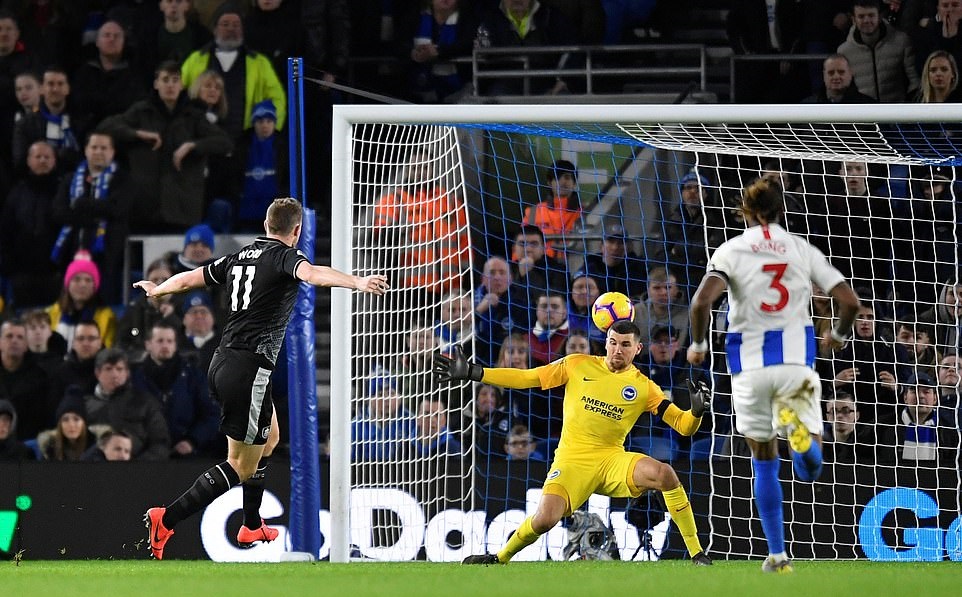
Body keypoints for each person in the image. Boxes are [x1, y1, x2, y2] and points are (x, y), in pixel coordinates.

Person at [135, 197, 389, 559]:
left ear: (268, 225)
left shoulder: (239, 257)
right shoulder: (286, 257)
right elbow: (314, 274)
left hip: (225, 361)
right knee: (240, 464)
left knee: (270, 438)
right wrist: (357, 282)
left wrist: (159, 289)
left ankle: (251, 523)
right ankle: (168, 518)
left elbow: (192, 277)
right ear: (296, 231)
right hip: (248, 370)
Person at [687, 178, 861, 573]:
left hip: (748, 370)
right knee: (810, 468)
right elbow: (849, 301)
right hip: (795, 365)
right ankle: (801, 443)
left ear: (746, 212)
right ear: (783, 210)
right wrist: (836, 334)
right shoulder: (801, 249)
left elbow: (700, 303)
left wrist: (698, 345)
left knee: (763, 461)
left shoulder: (730, 250)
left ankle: (778, 556)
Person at [437, 319, 713, 566]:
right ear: (605, 343)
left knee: (665, 473)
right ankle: (500, 557)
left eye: (625, 345)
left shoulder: (645, 386)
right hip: (572, 459)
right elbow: (528, 377)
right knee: (545, 519)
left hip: (611, 459)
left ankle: (697, 553)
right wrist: (476, 372)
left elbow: (684, 427)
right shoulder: (576, 364)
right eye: (613, 343)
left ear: (637, 349)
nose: (618, 350)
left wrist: (697, 412)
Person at [837, 0, 919, 102]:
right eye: (861, 17)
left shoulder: (902, 42)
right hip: (862, 113)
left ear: (879, 17)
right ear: (853, 20)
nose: (867, 20)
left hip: (897, 112)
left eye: (871, 15)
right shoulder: (844, 51)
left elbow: (914, 81)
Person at [522, 159, 582, 261]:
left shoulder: (584, 213)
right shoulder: (533, 212)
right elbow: (520, 244)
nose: (563, 182)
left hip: (574, 269)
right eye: (557, 178)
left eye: (567, 177)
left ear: (574, 183)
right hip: (539, 268)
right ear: (549, 183)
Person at [801, 53, 878, 103]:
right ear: (824, 75)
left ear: (850, 73)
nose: (836, 76)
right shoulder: (807, 106)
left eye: (841, 72)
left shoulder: (868, 106)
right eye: (831, 72)